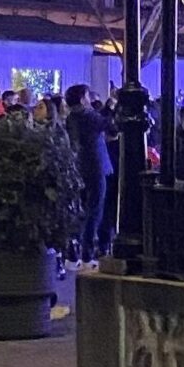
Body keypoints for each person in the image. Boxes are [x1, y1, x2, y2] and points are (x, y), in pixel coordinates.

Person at [65, 83, 110, 261]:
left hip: (80, 166)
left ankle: (75, 245)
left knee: (82, 207)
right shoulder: (87, 115)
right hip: (95, 165)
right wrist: (110, 107)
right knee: (96, 207)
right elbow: (107, 124)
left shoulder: (71, 118)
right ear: (82, 98)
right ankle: (87, 249)